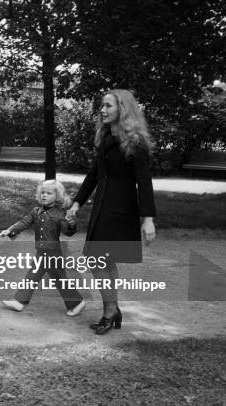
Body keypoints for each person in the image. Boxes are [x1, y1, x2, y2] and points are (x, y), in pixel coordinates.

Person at [67, 89, 156, 335]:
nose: (103, 110)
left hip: (121, 210)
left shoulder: (135, 141)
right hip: (102, 208)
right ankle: (112, 309)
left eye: (108, 106)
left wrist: (148, 219)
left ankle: (110, 310)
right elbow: (94, 174)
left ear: (122, 109)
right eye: (102, 106)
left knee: (99, 261)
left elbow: (144, 182)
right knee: (102, 261)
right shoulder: (106, 136)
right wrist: (77, 203)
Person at [0, 179, 86, 317]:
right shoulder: (36, 211)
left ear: (57, 196)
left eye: (49, 193)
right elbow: (24, 222)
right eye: (42, 193)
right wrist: (10, 230)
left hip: (53, 253)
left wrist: (71, 224)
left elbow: (67, 232)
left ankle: (76, 303)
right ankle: (19, 301)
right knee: (32, 276)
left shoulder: (60, 214)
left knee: (58, 279)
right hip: (42, 251)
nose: (44, 195)